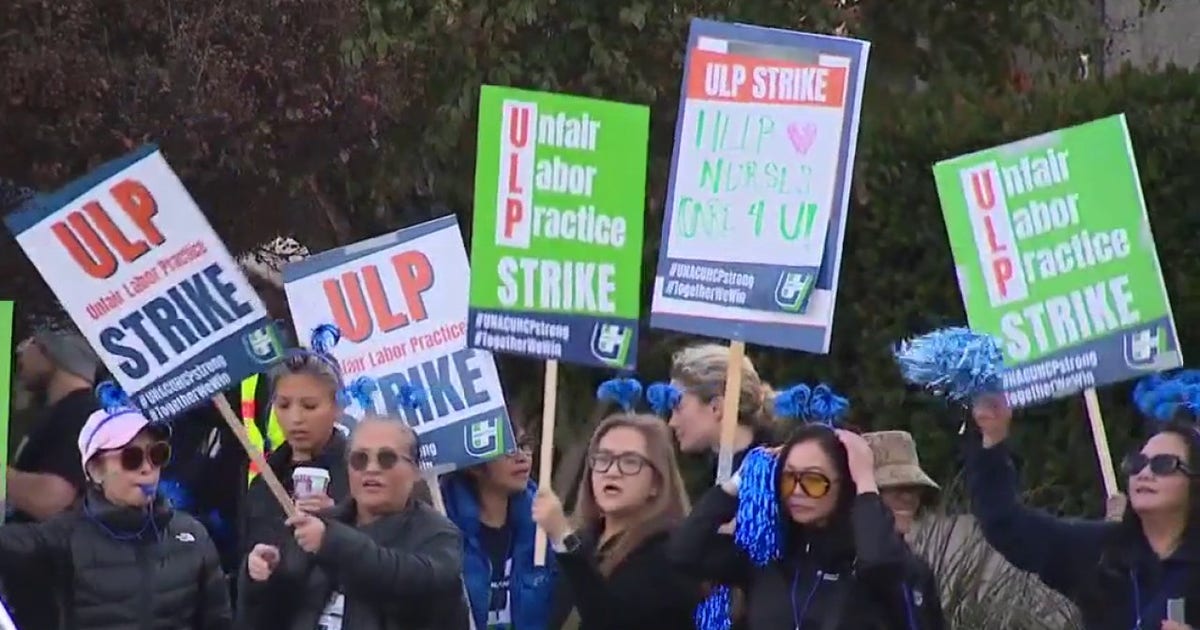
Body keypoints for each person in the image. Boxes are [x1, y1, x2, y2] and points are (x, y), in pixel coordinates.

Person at [966, 372, 1200, 630]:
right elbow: (1006, 525)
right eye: (1138, 463)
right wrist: (992, 442)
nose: (1144, 473)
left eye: (1163, 464)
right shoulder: (1102, 551)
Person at [668, 384, 914, 629]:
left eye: (813, 480)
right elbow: (684, 551)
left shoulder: (869, 559)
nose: (797, 491)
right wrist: (736, 483)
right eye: (789, 478)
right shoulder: (769, 559)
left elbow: (880, 566)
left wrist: (865, 481)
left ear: (845, 485)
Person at [0, 383, 232, 629]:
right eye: (131, 458)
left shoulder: (192, 535)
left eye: (157, 454)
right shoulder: (62, 537)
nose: (147, 468)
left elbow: (218, 622)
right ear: (96, 470)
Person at [237, 414, 469, 629]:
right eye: (360, 459)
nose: (371, 469)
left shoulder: (437, 534)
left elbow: (413, 580)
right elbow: (263, 620)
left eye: (386, 458)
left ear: (415, 470)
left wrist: (332, 542)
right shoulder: (317, 526)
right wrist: (261, 578)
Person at [537, 379, 703, 630]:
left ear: (656, 482)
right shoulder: (587, 541)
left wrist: (563, 538)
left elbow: (610, 618)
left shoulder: (671, 552)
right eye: (603, 459)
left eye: (630, 462)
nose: (612, 472)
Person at [6, 329, 100, 629]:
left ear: (54, 352)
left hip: (51, 590)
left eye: (28, 343)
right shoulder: (58, 413)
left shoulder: (80, 413)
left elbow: (51, 499)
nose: (20, 354)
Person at [241, 325, 354, 556]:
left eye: (309, 406)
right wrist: (255, 572)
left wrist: (338, 525)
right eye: (283, 405)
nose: (295, 418)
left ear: (337, 407)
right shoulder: (262, 485)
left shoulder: (363, 474)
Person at [442, 425, 556, 629]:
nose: (522, 457)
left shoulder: (541, 528)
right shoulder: (440, 529)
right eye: (508, 448)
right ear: (474, 464)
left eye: (524, 445)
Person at [863, 430, 947, 630]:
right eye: (894, 488)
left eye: (914, 489)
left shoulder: (917, 571)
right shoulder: (839, 572)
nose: (908, 498)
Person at [655, 343, 778, 476]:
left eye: (678, 407)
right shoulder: (724, 470)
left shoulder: (767, 478)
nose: (672, 422)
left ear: (717, 408)